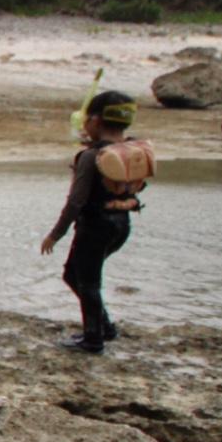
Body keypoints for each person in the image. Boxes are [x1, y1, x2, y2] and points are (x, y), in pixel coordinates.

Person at [40, 89, 149, 354]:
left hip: (95, 226)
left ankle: (93, 338)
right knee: (74, 274)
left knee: (87, 281)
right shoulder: (132, 151)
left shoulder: (91, 157)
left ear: (95, 121)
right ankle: (104, 326)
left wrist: (55, 234)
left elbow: (76, 201)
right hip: (121, 224)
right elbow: (139, 186)